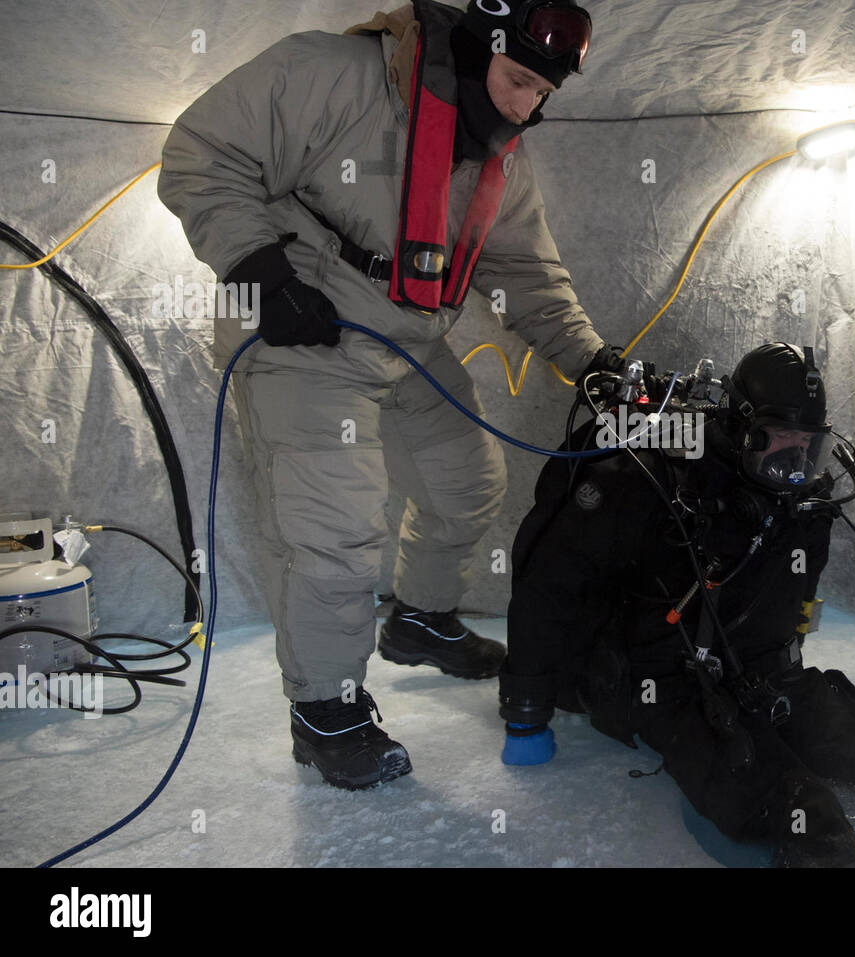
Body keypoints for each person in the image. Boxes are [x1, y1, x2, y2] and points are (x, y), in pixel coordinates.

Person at [157, 0, 625, 790]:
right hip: (297, 325)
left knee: (468, 481)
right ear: (475, 49)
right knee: (333, 528)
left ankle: (417, 619)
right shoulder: (334, 76)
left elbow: (525, 274)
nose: (525, 108)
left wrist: (591, 361)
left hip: (405, 338)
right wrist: (257, 270)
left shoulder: (500, 157)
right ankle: (325, 711)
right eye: (516, 82)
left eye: (541, 96)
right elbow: (201, 151)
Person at [499, 343, 855, 866]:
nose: (794, 461)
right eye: (778, 439)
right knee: (811, 821)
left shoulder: (801, 499)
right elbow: (550, 586)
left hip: (753, 671)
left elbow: (796, 598)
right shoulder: (652, 479)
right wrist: (525, 711)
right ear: (740, 427)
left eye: (808, 445)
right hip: (658, 680)